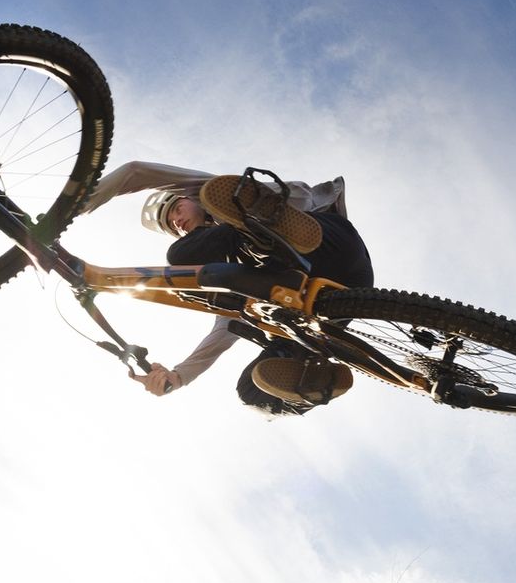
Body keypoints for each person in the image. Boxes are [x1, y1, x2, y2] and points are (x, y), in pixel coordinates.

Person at [80, 161, 375, 416]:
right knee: (253, 390)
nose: (178, 221)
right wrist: (178, 377)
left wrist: (81, 201)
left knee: (185, 252)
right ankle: (317, 381)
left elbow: (138, 170)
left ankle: (268, 228)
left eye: (177, 209)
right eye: (172, 224)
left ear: (189, 200)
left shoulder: (214, 196)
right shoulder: (230, 280)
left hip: (328, 243)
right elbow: (222, 333)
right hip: (328, 307)